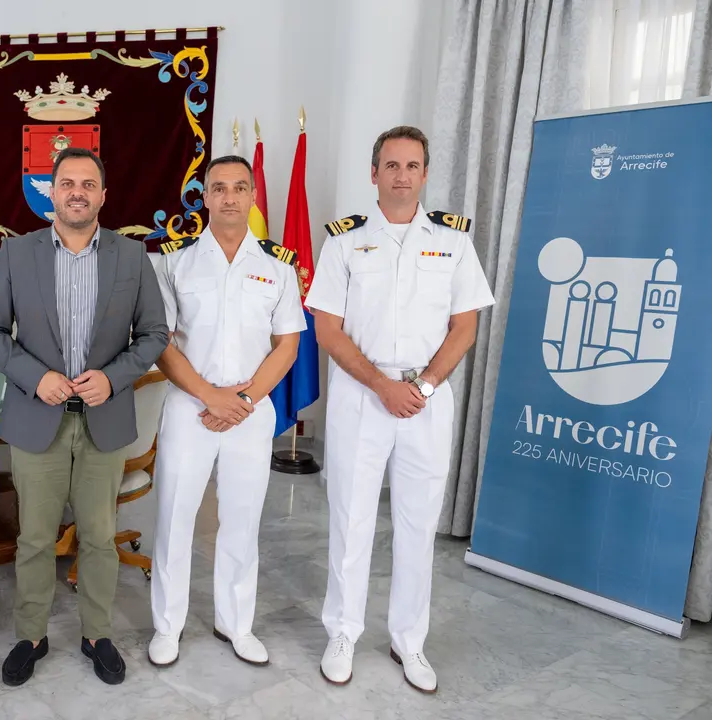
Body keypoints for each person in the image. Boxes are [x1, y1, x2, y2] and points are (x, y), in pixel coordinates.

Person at [305, 126, 495, 693]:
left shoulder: (455, 242)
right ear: (374, 174)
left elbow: (465, 325)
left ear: (425, 173)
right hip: (362, 396)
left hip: (426, 400)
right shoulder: (343, 242)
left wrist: (426, 384)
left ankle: (410, 641)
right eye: (391, 165)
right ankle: (342, 632)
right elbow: (329, 330)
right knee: (351, 518)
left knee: (418, 524)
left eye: (412, 165)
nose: (402, 175)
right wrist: (382, 386)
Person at [0, 147, 168, 687]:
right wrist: (35, 376)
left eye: (88, 183)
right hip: (38, 417)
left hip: (104, 420)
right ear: (50, 193)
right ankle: (30, 635)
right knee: (34, 538)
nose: (77, 191)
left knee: (100, 538)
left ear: (103, 195)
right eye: (67, 183)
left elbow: (154, 334)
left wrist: (115, 376)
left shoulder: (132, 257)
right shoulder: (16, 255)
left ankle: (96, 634)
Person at [148, 155, 306, 668]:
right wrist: (210, 397)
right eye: (220, 188)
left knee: (242, 518)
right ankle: (167, 626)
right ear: (205, 197)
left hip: (249, 412)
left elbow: (287, 345)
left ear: (253, 196)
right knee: (175, 518)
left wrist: (240, 401)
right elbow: (162, 343)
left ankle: (235, 623)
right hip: (190, 408)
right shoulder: (173, 261)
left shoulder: (279, 265)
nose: (231, 197)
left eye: (240, 187)